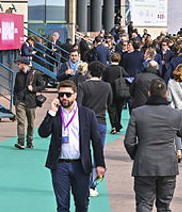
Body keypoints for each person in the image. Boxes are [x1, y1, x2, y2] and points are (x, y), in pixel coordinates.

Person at [38, 80, 106, 212]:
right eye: (61, 95)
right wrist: (51, 112)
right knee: (62, 205)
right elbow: (43, 133)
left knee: (82, 204)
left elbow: (96, 141)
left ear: (75, 95)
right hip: (60, 165)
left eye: (68, 94)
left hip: (81, 165)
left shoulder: (87, 114)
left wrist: (100, 164)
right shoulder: (55, 113)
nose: (64, 98)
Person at [124, 79, 182, 212]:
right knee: (164, 206)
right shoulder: (175, 114)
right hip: (168, 165)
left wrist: (137, 154)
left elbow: (129, 141)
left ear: (149, 93)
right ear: (166, 94)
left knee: (144, 204)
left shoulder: (137, 112)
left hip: (144, 164)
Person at [77, 61, 113, 197]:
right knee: (98, 153)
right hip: (101, 121)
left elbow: (79, 104)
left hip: (85, 122)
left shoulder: (83, 85)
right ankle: (93, 184)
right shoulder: (107, 86)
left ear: (89, 72)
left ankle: (83, 182)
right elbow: (110, 102)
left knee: (84, 152)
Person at [13, 57, 46, 149]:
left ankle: (29, 141)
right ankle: (21, 142)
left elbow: (42, 86)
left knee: (31, 123)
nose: (17, 66)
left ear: (24, 64)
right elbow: (15, 88)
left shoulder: (36, 73)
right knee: (21, 122)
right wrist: (15, 100)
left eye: (18, 64)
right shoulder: (18, 74)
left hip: (31, 102)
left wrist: (33, 89)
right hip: (20, 101)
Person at [102, 53, 130, 134]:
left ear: (111, 59)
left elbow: (104, 79)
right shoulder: (121, 69)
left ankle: (113, 126)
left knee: (111, 110)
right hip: (120, 91)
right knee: (119, 109)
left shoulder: (107, 69)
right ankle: (117, 125)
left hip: (110, 91)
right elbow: (127, 77)